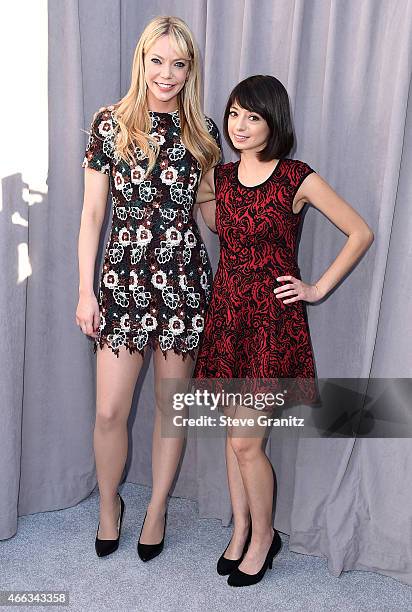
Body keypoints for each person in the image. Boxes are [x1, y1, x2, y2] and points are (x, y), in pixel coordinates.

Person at [194, 74, 374, 587]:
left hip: (272, 324)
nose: (240, 126)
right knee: (235, 440)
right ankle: (241, 529)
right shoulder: (221, 178)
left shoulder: (297, 177)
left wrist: (316, 287)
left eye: (253, 116)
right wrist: (203, 175)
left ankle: (265, 535)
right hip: (228, 318)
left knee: (247, 443)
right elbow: (216, 226)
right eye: (233, 114)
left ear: (274, 121)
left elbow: (360, 231)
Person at [76, 15, 221, 560]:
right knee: (110, 411)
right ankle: (109, 503)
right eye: (157, 61)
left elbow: (208, 212)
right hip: (123, 280)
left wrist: (258, 208)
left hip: (184, 281)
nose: (167, 73)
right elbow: (93, 215)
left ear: (190, 70)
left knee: (170, 406)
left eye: (178, 64)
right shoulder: (109, 123)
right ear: (141, 60)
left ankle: (156, 509)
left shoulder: (202, 129)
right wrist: (85, 291)